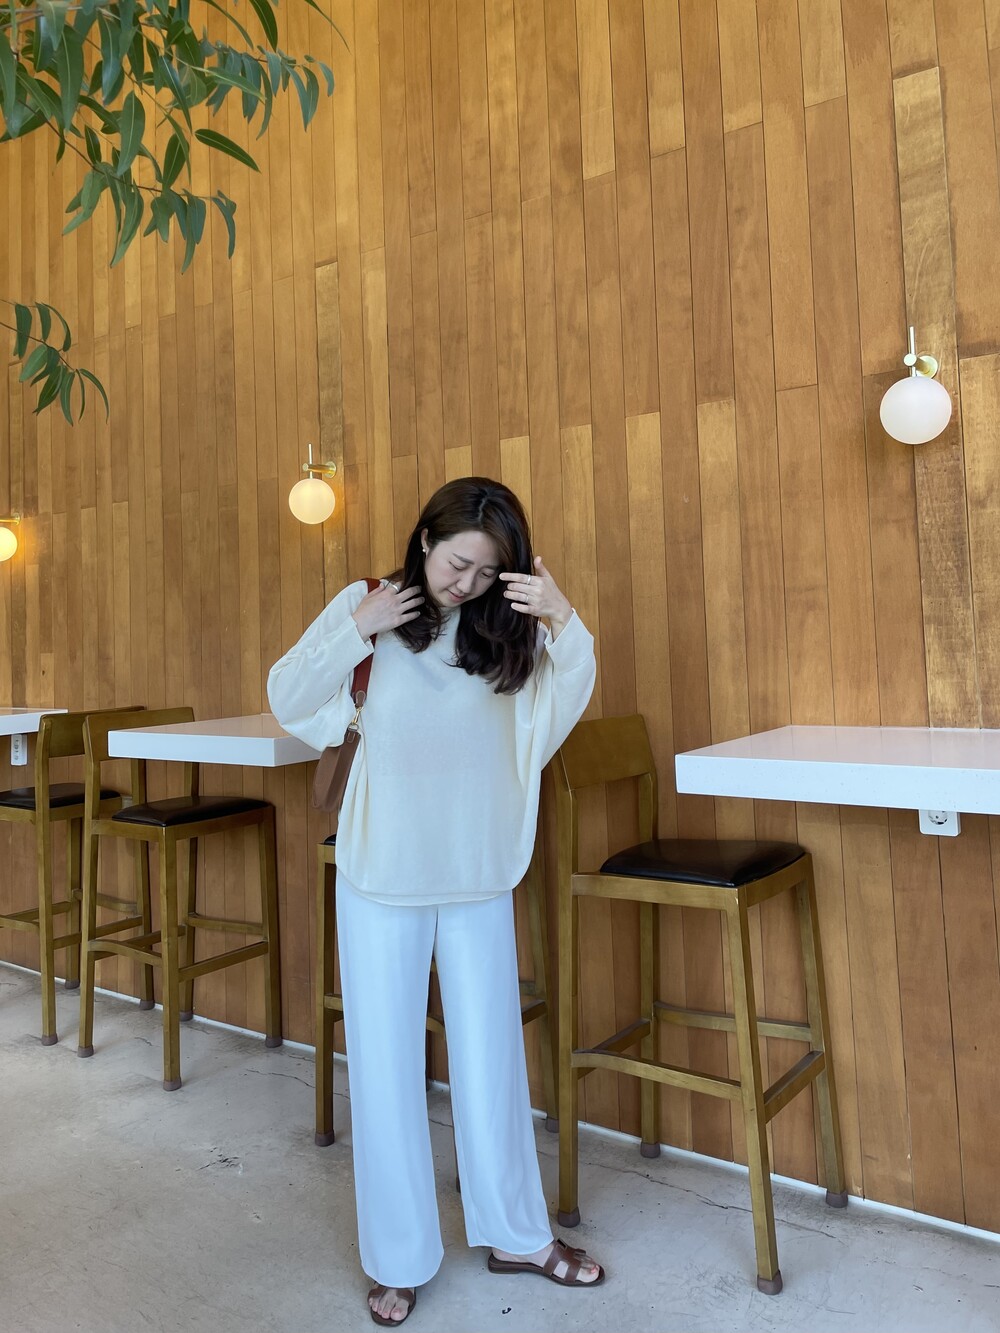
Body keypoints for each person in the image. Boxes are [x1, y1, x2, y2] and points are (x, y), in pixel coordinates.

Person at [267, 477, 604, 1326]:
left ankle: (517, 1234)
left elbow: (555, 710)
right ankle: (398, 1257)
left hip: (478, 868)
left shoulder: (509, 628)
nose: (467, 584)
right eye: (458, 563)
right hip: (382, 870)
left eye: (487, 572)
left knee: (493, 1060)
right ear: (425, 540)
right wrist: (358, 627)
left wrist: (563, 618)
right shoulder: (367, 604)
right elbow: (289, 696)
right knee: (384, 1069)